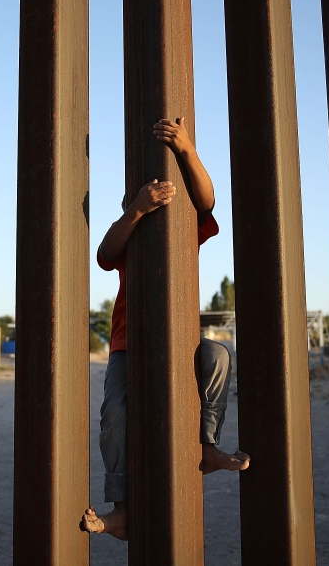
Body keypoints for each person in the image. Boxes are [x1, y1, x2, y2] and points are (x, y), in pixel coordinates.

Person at [80, 117, 250, 541]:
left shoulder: (184, 231)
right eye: (138, 202)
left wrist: (187, 150)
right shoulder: (130, 238)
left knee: (217, 354)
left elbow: (206, 202)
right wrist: (138, 208)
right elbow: (104, 252)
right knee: (115, 413)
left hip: (179, 341)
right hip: (127, 344)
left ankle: (206, 447)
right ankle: (122, 509)